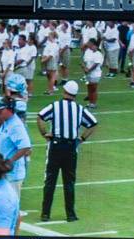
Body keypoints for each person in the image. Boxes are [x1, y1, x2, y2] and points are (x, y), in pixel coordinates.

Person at [37, 81, 97, 223]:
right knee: (69, 182)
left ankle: (45, 213)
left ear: (64, 91)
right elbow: (93, 123)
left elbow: (40, 117)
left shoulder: (55, 106)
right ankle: (71, 214)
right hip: (71, 147)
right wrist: (82, 138)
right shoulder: (79, 109)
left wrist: (45, 133)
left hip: (56, 145)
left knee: (50, 180)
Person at [0, 97, 32, 205]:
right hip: (5, 172)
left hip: (12, 174)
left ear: (9, 109)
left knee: (11, 207)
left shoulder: (16, 126)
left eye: (1, 110)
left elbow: (25, 146)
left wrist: (10, 161)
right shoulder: (6, 122)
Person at [82, 38, 103, 108]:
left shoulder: (98, 54)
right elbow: (85, 61)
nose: (90, 45)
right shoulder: (87, 52)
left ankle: (94, 103)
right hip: (88, 73)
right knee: (89, 88)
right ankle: (90, 102)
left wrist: (88, 70)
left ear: (95, 45)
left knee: (93, 88)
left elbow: (96, 64)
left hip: (95, 74)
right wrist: (84, 68)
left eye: (91, 44)